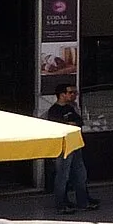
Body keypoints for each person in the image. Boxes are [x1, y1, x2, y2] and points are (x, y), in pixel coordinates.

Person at [44, 81, 100, 212]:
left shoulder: (70, 108)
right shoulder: (54, 110)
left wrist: (72, 123)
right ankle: (61, 204)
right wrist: (71, 124)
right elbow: (58, 126)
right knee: (63, 175)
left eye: (75, 92)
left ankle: (83, 202)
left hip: (75, 144)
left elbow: (79, 121)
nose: (74, 95)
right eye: (70, 92)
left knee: (80, 174)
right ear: (62, 94)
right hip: (63, 147)